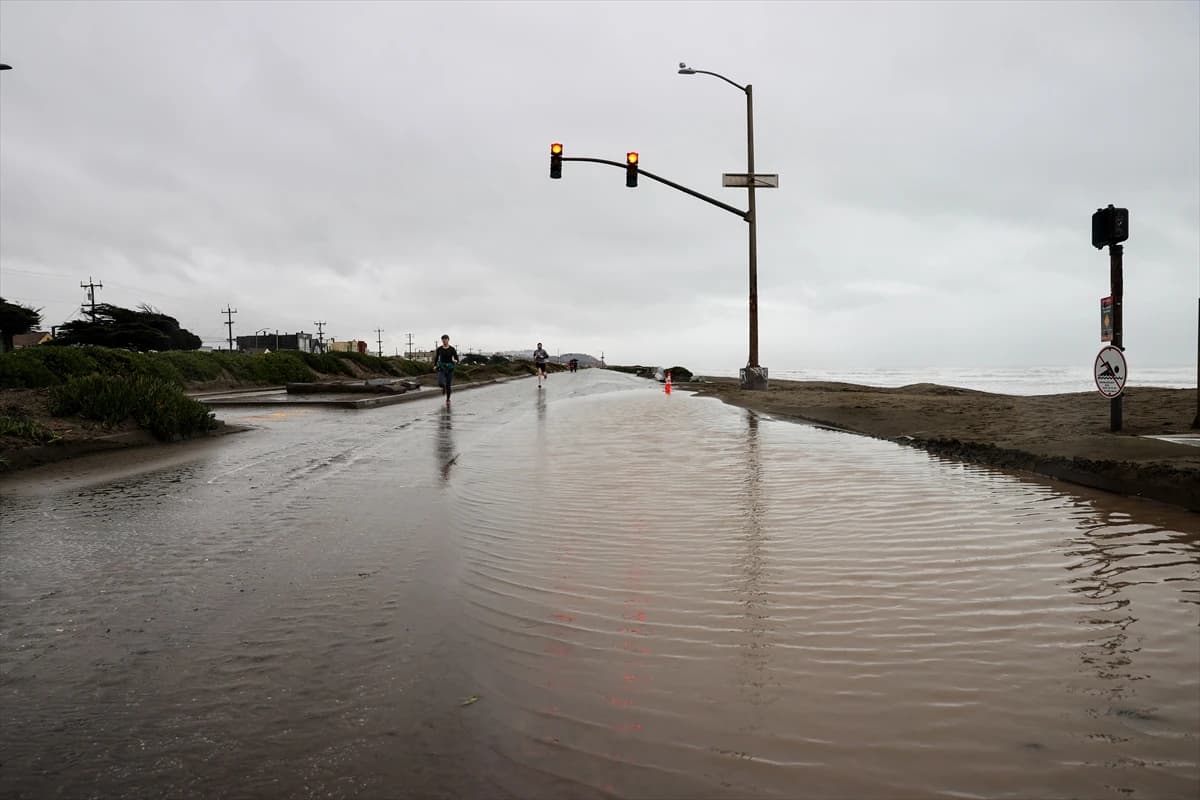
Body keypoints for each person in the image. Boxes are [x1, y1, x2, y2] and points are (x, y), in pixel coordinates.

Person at [434, 334, 459, 404]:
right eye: (443, 339)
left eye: (446, 339)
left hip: (450, 368)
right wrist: (435, 365)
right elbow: (436, 358)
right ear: (442, 340)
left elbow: (457, 358)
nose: (444, 341)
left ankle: (448, 399)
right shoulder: (439, 349)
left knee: (448, 385)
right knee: (440, 383)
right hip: (441, 367)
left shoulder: (452, 349)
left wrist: (455, 361)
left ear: (448, 340)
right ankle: (443, 387)